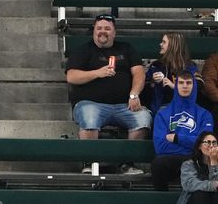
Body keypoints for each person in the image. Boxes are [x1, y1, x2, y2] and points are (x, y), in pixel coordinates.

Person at [65, 13, 151, 174]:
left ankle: (127, 163)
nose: (102, 31)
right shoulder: (83, 50)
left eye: (107, 28)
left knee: (143, 118)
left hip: (124, 105)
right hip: (91, 103)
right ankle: (90, 163)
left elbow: (139, 73)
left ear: (114, 32)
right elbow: (72, 76)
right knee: (89, 118)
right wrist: (97, 73)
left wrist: (134, 95)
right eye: (99, 28)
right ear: (93, 31)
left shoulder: (126, 48)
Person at [152, 72, 214, 192]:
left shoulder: (204, 114)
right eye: (181, 82)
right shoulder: (162, 114)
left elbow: (206, 144)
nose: (185, 86)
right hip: (171, 161)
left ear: (194, 86)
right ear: (176, 85)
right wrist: (194, 143)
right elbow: (160, 147)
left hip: (196, 159)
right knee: (158, 163)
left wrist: (177, 138)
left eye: (188, 83)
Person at [145, 32, 200, 117]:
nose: (160, 44)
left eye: (164, 42)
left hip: (184, 109)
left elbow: (198, 88)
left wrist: (174, 86)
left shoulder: (189, 67)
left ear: (173, 46)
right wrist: (152, 82)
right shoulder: (156, 65)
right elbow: (143, 91)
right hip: (159, 109)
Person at [177, 131, 218, 204]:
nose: (211, 145)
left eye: (214, 143)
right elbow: (189, 184)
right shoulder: (189, 164)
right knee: (201, 194)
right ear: (199, 146)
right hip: (195, 199)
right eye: (208, 142)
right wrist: (212, 185)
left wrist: (214, 162)